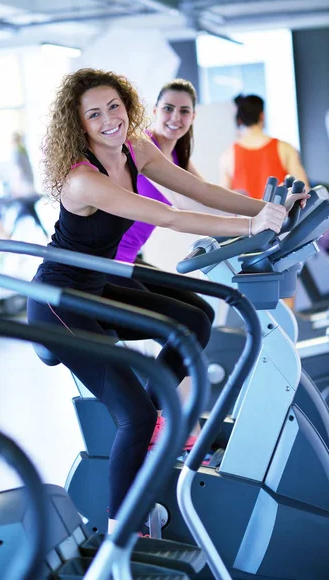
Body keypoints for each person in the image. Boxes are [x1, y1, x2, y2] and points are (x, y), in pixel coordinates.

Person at [27, 68, 304, 533]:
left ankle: (157, 426)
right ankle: (124, 530)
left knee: (195, 319)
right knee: (131, 415)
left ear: (128, 105)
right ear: (79, 125)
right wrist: (251, 228)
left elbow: (197, 189)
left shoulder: (135, 148)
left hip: (98, 283)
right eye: (94, 115)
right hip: (60, 300)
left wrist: (266, 209)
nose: (109, 119)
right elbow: (170, 217)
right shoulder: (82, 180)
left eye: (114, 106)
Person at [111, 79, 215, 450]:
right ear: (155, 111)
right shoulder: (142, 148)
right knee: (186, 326)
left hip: (133, 260)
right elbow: (183, 208)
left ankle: (169, 415)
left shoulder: (176, 158)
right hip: (111, 264)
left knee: (200, 313)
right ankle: (155, 415)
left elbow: (208, 198)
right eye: (168, 108)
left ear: (193, 116)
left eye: (184, 110)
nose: (175, 117)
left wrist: (266, 210)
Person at [219, 94, 309, 198]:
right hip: (279, 214)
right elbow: (303, 189)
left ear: (240, 120)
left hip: (246, 214)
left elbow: (224, 199)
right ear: (262, 116)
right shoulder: (284, 148)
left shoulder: (228, 155)